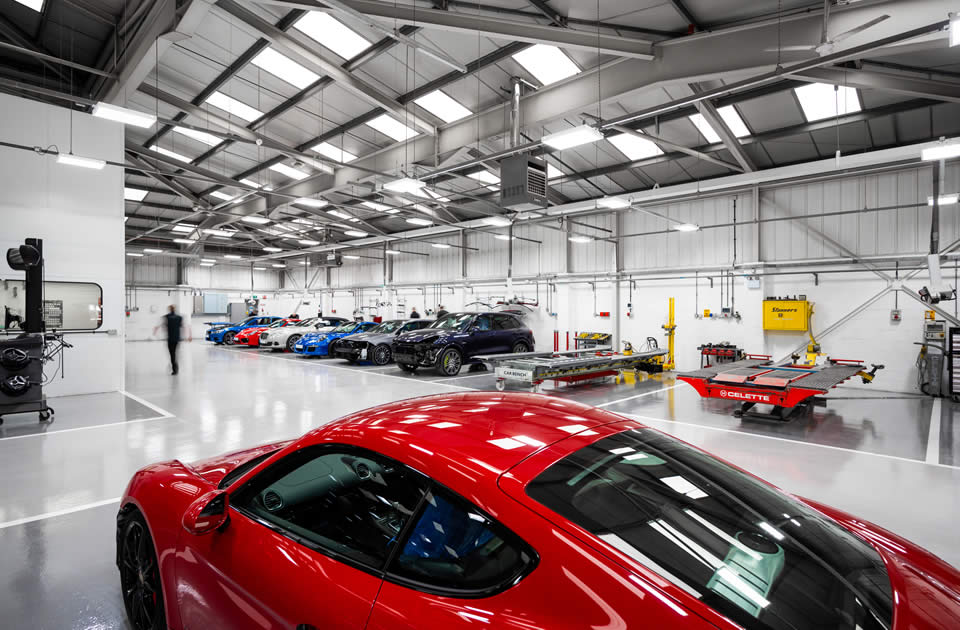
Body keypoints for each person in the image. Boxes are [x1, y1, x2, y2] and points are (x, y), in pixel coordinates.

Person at [153, 305, 191, 375]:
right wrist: (187, 336)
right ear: (174, 309)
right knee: (175, 353)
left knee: (172, 354)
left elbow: (160, 326)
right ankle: (175, 367)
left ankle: (175, 369)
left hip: (170, 339)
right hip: (177, 339)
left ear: (169, 309)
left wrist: (155, 332)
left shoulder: (166, 317)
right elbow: (185, 327)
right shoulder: (179, 317)